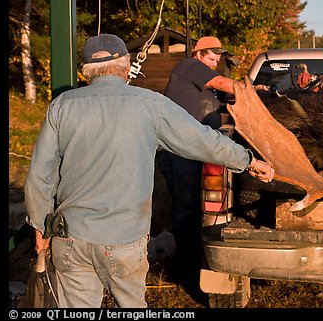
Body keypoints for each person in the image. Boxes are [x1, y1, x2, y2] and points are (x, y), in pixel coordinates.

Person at [23, 33, 275, 308]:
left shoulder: (62, 106)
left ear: (86, 70)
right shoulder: (150, 104)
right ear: (127, 64)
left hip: (71, 239)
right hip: (124, 241)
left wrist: (40, 226)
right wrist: (249, 160)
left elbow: (40, 174)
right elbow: (205, 141)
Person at [156, 36, 268, 288]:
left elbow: (227, 98)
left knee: (200, 206)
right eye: (210, 58)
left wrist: (254, 97)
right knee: (185, 207)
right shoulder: (188, 66)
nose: (214, 64)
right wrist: (248, 88)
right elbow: (221, 82)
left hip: (199, 149)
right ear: (198, 54)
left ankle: (198, 254)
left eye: (217, 60)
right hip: (179, 150)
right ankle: (185, 267)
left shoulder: (207, 84)